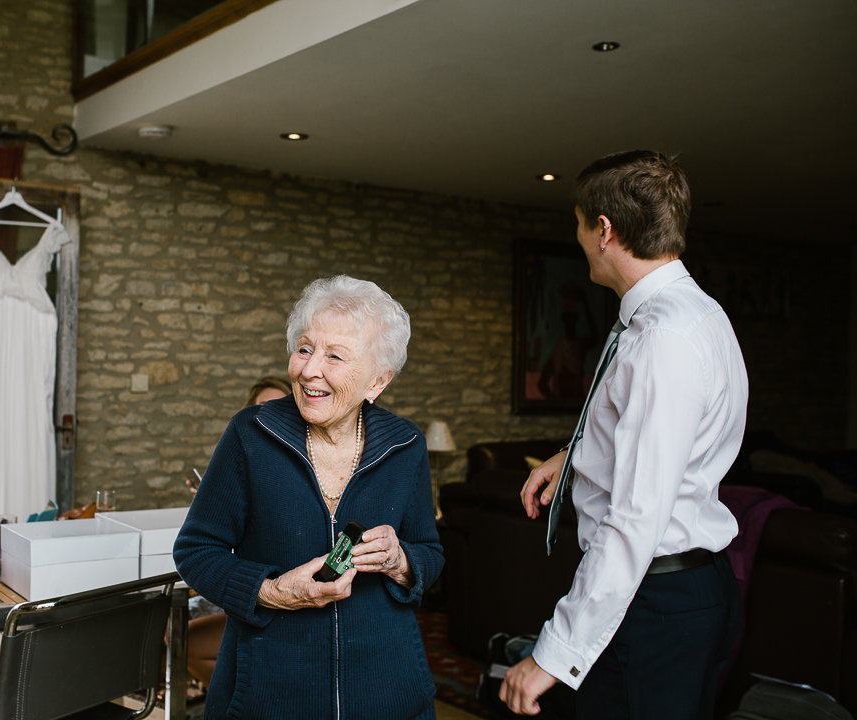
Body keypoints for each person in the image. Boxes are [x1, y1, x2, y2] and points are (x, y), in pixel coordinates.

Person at [500, 151, 747, 719]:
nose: (581, 237)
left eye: (580, 223)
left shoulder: (663, 339)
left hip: (655, 601)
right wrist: (574, 455)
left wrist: (552, 655)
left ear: (604, 230)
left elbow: (636, 518)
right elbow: (658, 438)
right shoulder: (694, 314)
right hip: (682, 593)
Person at [174, 275, 444, 719]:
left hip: (388, 695)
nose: (308, 369)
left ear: (377, 380)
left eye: (334, 356)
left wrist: (401, 561)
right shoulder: (250, 434)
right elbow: (196, 550)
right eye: (304, 348)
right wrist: (272, 591)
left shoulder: (405, 446)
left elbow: (430, 553)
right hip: (268, 696)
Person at [185, 375, 291, 690]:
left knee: (185, 638)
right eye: (263, 407)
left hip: (285, 608)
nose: (273, 413)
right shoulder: (240, 463)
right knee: (177, 637)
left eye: (281, 406)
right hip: (249, 597)